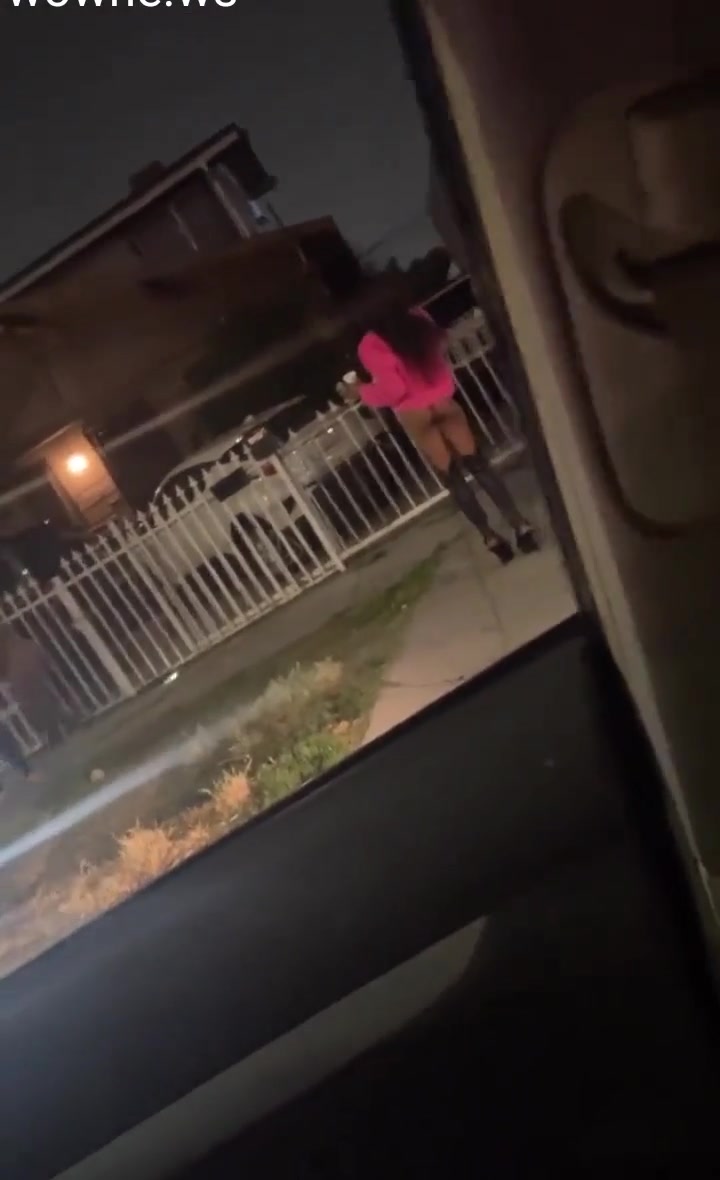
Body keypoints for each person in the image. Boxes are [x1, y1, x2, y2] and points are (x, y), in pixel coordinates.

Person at [348, 301, 538, 563]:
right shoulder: (418, 317)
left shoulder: (371, 344)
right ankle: (519, 525)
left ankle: (490, 537)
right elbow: (440, 347)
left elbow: (394, 389)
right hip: (442, 399)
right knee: (479, 465)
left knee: (453, 478)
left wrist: (361, 391)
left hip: (415, 413)